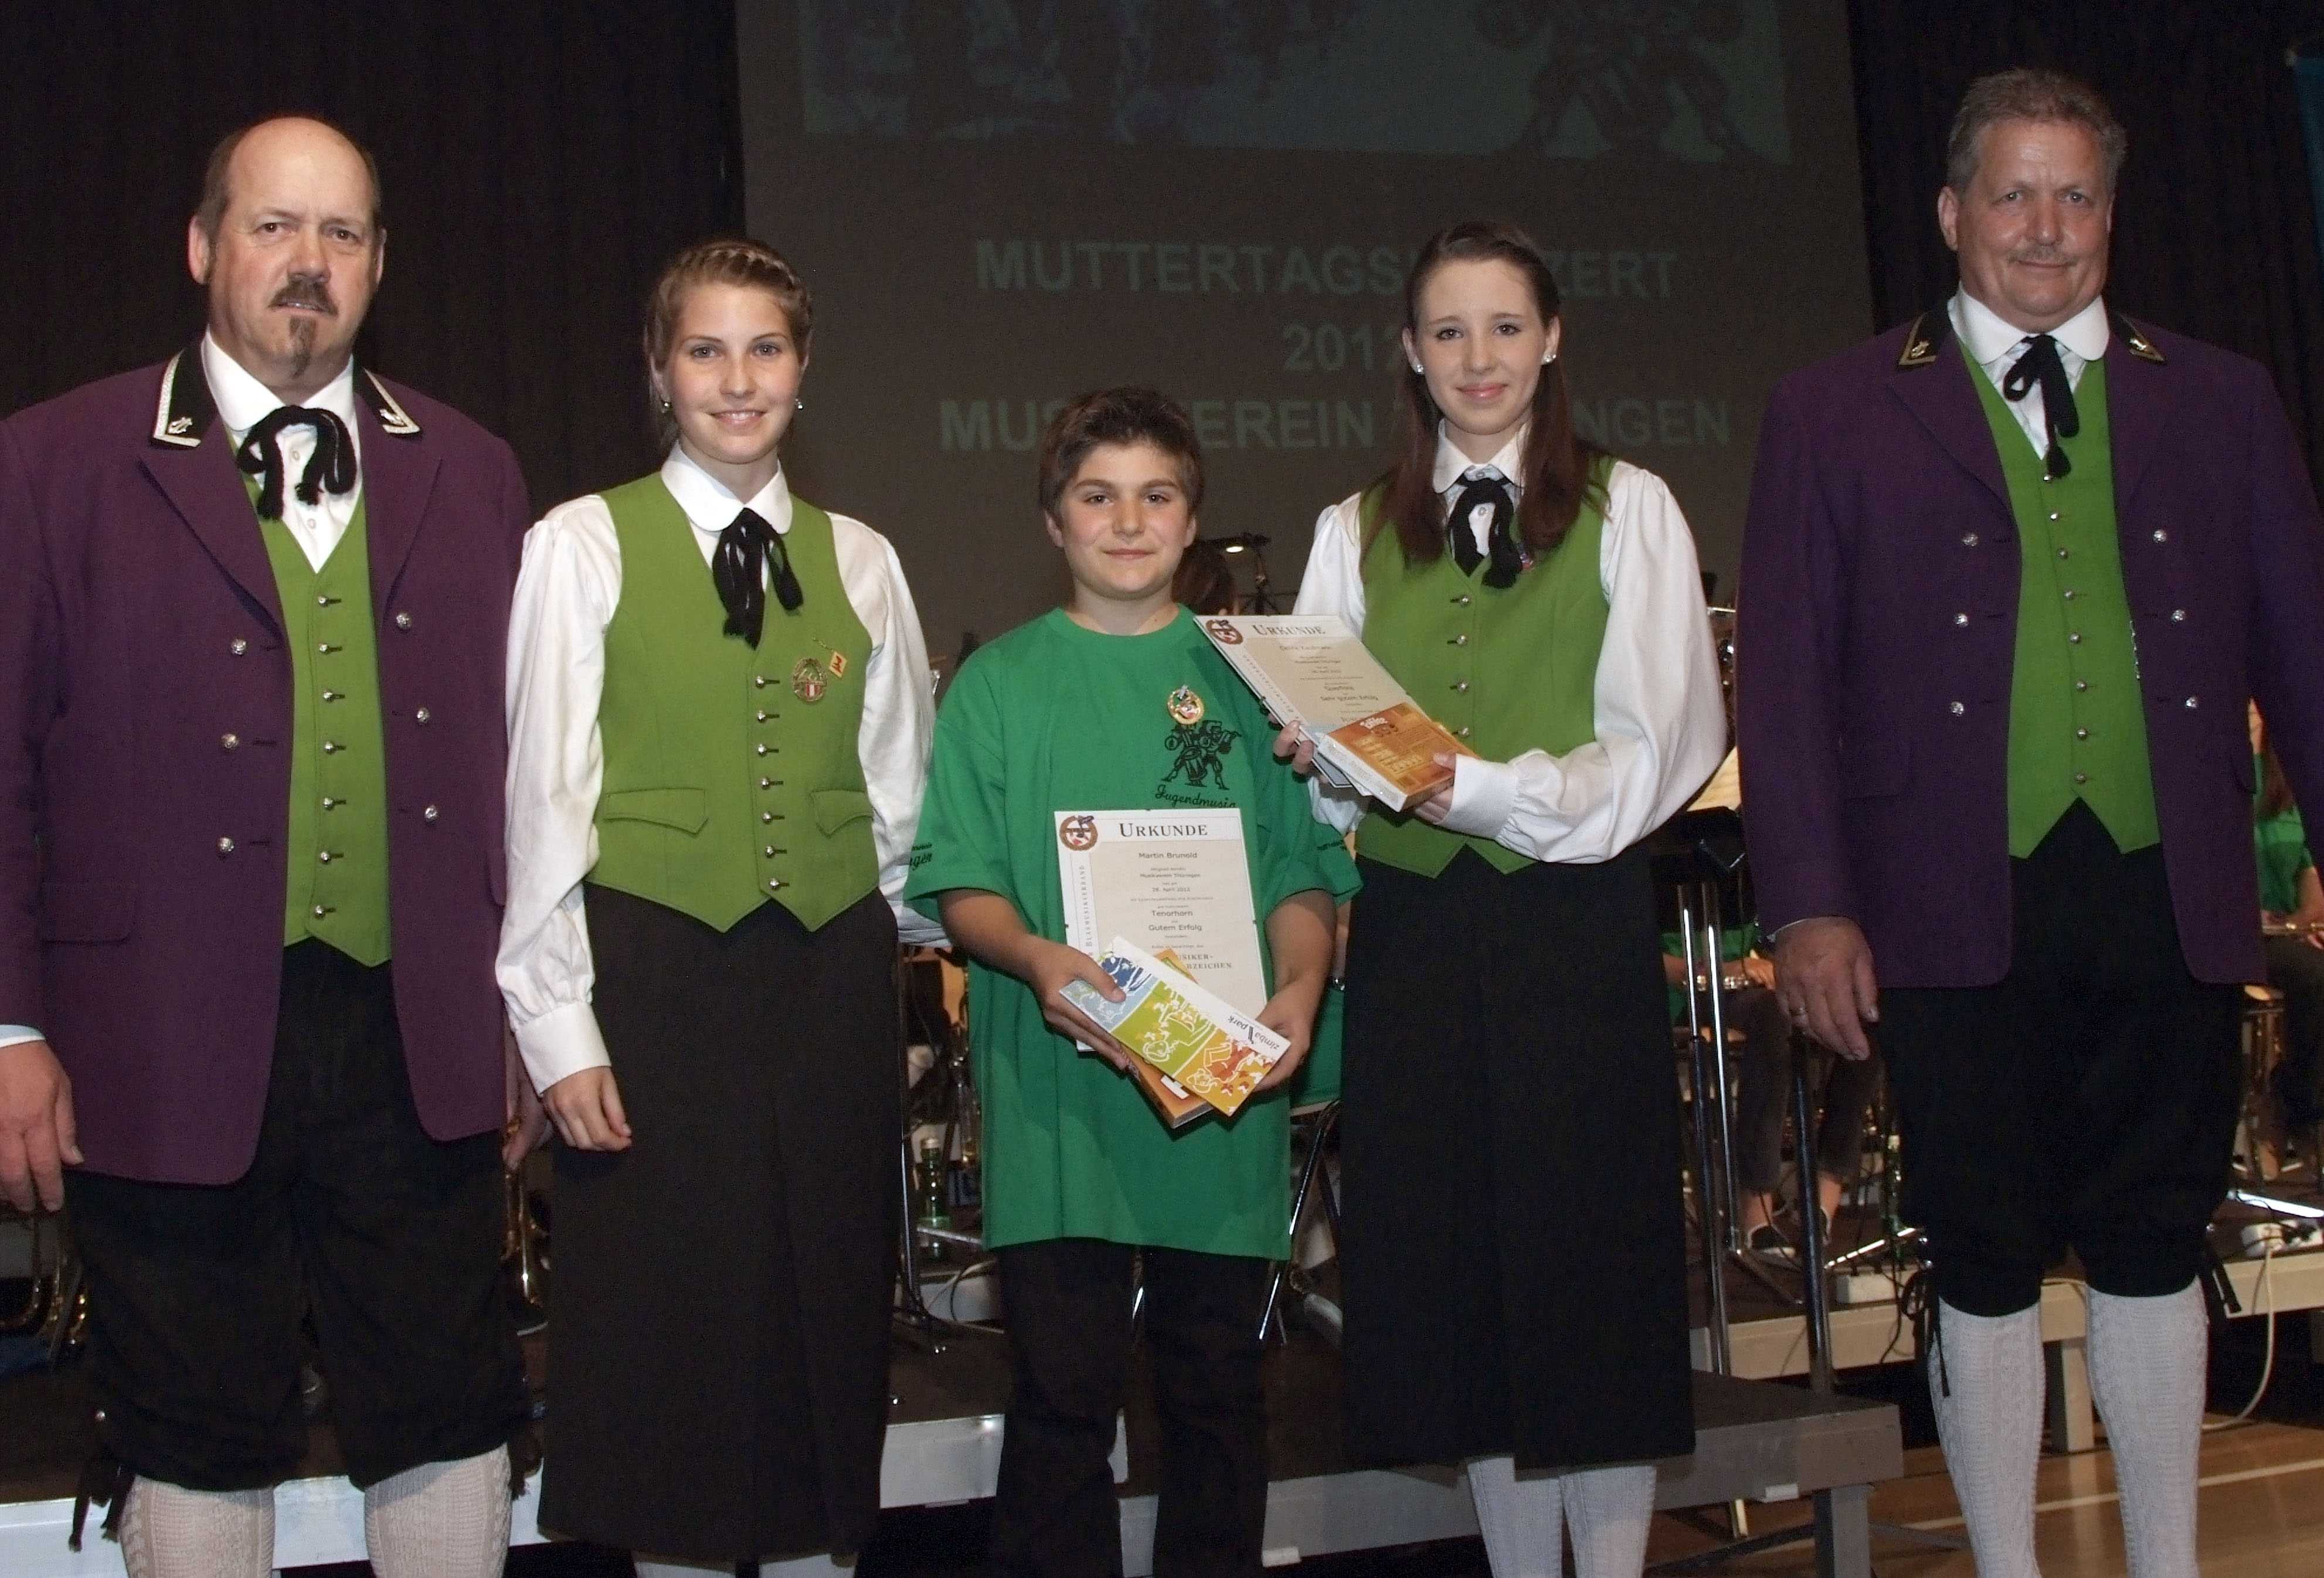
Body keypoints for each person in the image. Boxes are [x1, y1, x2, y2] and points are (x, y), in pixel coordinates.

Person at [1738, 67, 2324, 1578]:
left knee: (2155, 1233)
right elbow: (1785, 686)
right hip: (1940, 895)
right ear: (1951, 213)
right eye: (2013, 193)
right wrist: (1807, 903)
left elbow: (2303, 650)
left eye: (2074, 195)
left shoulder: (2220, 395)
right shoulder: (1830, 407)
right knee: (1980, 1247)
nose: (2044, 226)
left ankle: (2166, 1560)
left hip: (2162, 881)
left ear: (2110, 217)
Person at [0, 117, 534, 1577]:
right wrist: (10, 1025)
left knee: (447, 1400)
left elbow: (529, 773)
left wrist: (531, 1007)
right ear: (202, 246)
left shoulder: (475, 468)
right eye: (274, 226)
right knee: (192, 1417)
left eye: (342, 233)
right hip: (152, 1030)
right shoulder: (51, 459)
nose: (309, 263)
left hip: (418, 1027)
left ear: (379, 264)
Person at [1289, 219, 1725, 1578]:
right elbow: (1324, 770)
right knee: (1459, 1285)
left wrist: (1476, 791)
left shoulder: (1630, 508)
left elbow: (1660, 744)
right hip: (1413, 935)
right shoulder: (1350, 529)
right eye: (1447, 330)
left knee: (1586, 1280)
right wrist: (1318, 759)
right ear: (1409, 353)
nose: (1476, 357)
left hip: (1566, 922)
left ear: (1551, 339)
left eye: (1503, 326)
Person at [497, 238, 935, 1574]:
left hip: (826, 986)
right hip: (652, 982)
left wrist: (893, 964)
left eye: (764, 349)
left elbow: (895, 798)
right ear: (658, 370)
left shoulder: (864, 558)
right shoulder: (580, 542)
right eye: (705, 350)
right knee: (668, 1348)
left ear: (803, 369)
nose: (737, 380)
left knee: (822, 1332)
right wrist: (558, 1030)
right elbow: (542, 801)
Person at [907, 388, 1355, 1578]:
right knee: (1062, 1398)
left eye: (1155, 495)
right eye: (1096, 495)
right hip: (1060, 1100)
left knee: (1217, 1392)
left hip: (1219, 1094)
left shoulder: (1251, 680)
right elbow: (961, 882)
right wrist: (1037, 957)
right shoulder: (998, 684)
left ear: (1191, 520)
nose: (1126, 520)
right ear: (1052, 520)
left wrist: (1300, 983)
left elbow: (1298, 874)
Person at [2253, 709, 2324, 1139]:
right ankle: (2300, 1109)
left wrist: (2303, 922)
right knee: (2315, 975)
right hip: (2242, 934)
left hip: (2286, 930)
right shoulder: (2242, 775)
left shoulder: (2298, 789)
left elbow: (2310, 877)